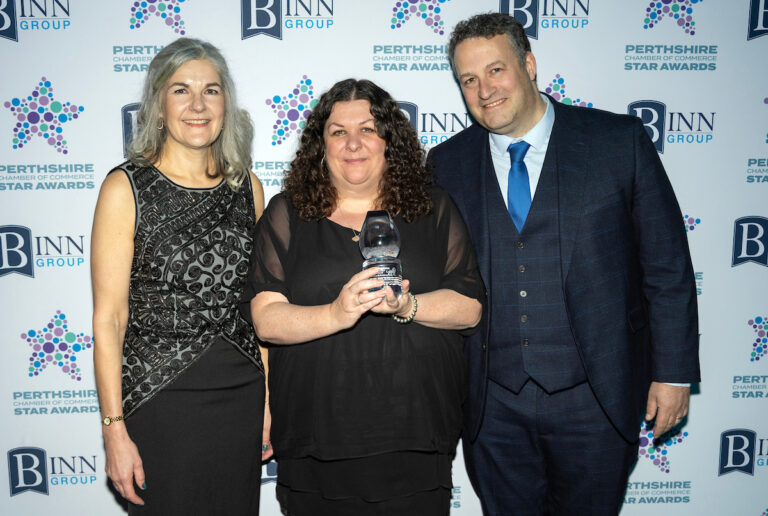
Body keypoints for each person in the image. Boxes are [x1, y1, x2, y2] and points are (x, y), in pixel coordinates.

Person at [427, 13, 700, 515]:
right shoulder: (445, 164)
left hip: (596, 397)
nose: (484, 89)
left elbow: (667, 267)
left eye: (496, 70)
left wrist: (674, 374)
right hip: (492, 403)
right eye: (468, 79)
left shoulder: (617, 142)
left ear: (528, 65)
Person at [241, 78, 484, 516]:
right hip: (316, 440)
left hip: (415, 434)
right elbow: (267, 320)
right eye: (338, 132)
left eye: (368, 129)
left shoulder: (433, 208)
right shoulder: (288, 213)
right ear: (321, 145)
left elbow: (469, 308)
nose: (353, 143)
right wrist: (336, 313)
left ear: (389, 140)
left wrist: (408, 306)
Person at [91, 38, 269, 515]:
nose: (197, 105)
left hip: (241, 392)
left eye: (211, 90)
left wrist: (269, 400)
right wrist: (113, 429)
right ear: (158, 104)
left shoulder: (247, 186)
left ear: (225, 103)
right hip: (159, 397)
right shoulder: (124, 187)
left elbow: (259, 304)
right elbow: (109, 319)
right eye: (181, 90)